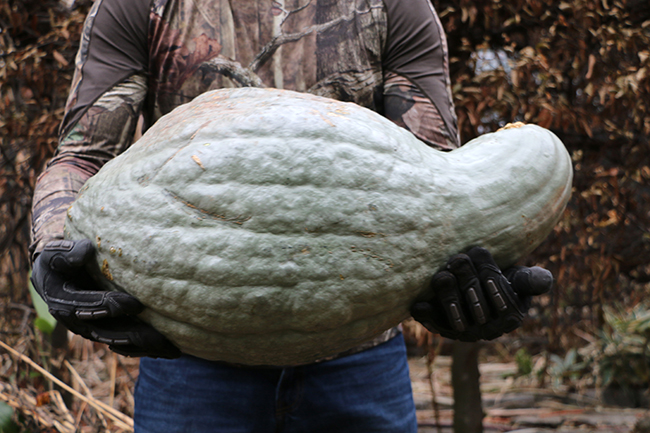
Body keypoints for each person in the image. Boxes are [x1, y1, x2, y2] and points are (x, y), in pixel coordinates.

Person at [30, 0, 553, 431]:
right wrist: (54, 242)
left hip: (359, 356)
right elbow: (82, 158)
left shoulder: (395, 7)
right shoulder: (139, 6)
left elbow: (438, 182)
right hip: (192, 357)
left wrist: (465, 277)